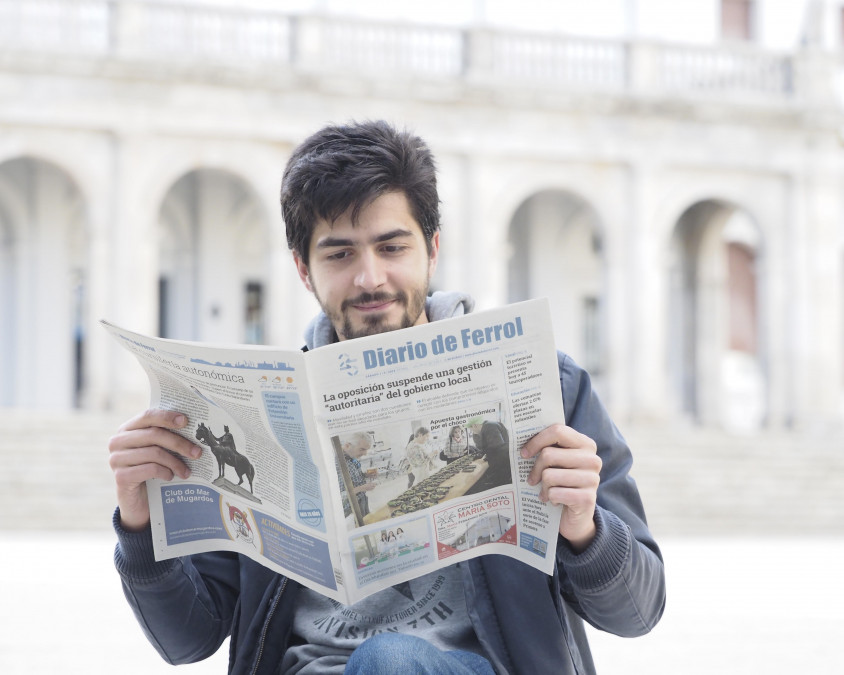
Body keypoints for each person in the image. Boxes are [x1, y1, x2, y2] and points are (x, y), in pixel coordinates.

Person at [108, 120, 665, 675]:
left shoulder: (551, 385)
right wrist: (138, 525)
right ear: (305, 270)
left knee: (389, 662)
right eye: (339, 255)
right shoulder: (258, 411)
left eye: (391, 246)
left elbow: (637, 612)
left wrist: (586, 529)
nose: (369, 279)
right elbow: (187, 641)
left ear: (432, 250)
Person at [463, 417, 512, 496]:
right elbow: (483, 449)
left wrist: (486, 461)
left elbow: (497, 448)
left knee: (500, 486)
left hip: (504, 463)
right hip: (499, 461)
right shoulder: (484, 430)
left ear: (475, 425)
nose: (471, 431)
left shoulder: (490, 427)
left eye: (471, 428)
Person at [337, 432, 377, 520]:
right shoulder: (338, 464)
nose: (365, 453)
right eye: (362, 449)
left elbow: (353, 478)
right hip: (351, 508)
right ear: (348, 446)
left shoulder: (352, 457)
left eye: (366, 450)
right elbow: (339, 495)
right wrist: (362, 488)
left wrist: (365, 475)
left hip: (362, 500)